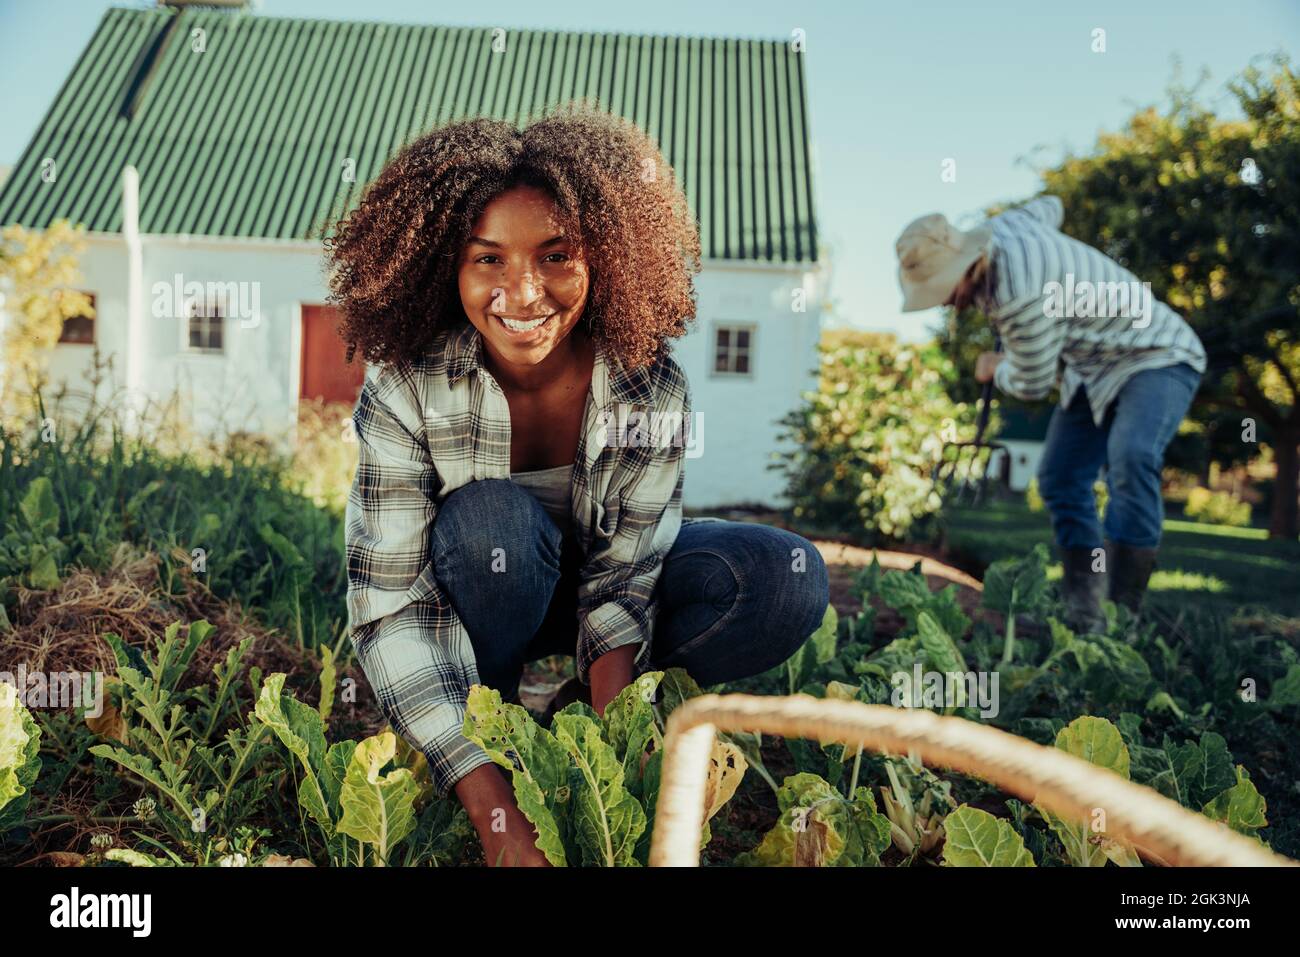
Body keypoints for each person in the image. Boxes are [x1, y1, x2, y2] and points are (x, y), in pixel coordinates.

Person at [326, 108, 830, 867]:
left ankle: (567, 722)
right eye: (487, 259)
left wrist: (609, 773)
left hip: (596, 595)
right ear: (444, 266)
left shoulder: (647, 385)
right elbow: (390, 603)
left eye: (556, 254)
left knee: (786, 579)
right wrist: (496, 812)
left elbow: (624, 582)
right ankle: (486, 728)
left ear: (606, 257)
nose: (523, 293)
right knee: (491, 524)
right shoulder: (408, 386)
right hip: (481, 606)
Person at [895, 195, 1205, 633]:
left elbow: (1033, 383)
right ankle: (1084, 612)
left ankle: (1121, 619)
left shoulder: (1019, 299)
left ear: (965, 266)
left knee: (1131, 456)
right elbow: (1053, 206)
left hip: (1156, 354)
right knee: (1060, 477)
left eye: (945, 292)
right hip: (1091, 367)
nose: (945, 303)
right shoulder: (1001, 227)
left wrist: (995, 367)